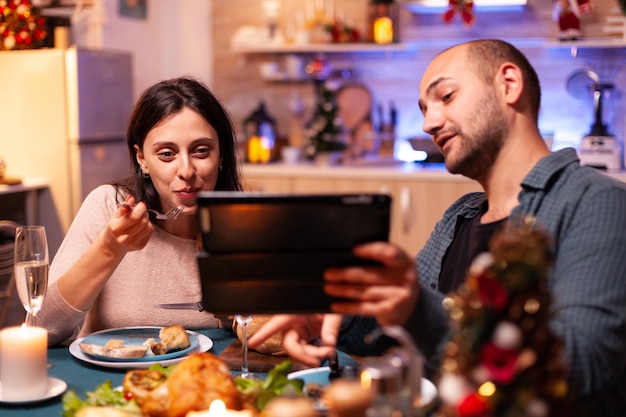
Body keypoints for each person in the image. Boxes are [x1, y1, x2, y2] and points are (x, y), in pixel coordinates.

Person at [249, 39, 626, 415]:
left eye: (445, 96)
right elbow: (403, 333)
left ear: (508, 85)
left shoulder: (596, 202)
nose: (429, 122)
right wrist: (333, 316)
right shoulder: (460, 216)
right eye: (425, 108)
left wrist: (414, 307)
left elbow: (580, 368)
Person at [38, 77, 243, 346]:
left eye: (201, 151)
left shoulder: (244, 224)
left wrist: (239, 316)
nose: (186, 170)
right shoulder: (108, 205)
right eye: (167, 154)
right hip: (109, 384)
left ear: (222, 156)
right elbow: (40, 328)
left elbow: (275, 329)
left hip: (204, 379)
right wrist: (109, 249)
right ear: (142, 159)